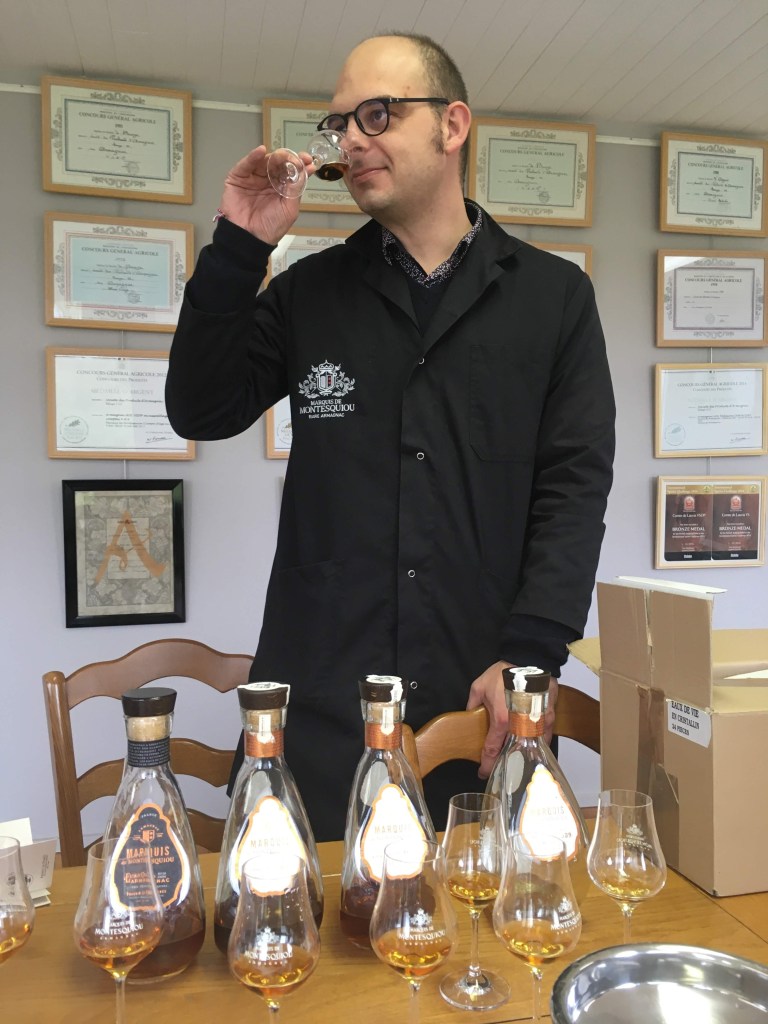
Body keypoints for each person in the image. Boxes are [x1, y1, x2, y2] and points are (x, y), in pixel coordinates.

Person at [165, 32, 615, 841]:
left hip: (483, 699)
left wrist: (530, 656)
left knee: (488, 911)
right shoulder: (308, 293)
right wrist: (239, 246)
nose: (352, 140)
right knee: (296, 910)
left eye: (378, 114)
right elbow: (201, 409)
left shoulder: (554, 300)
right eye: (341, 123)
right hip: (321, 700)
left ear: (452, 126)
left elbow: (573, 489)